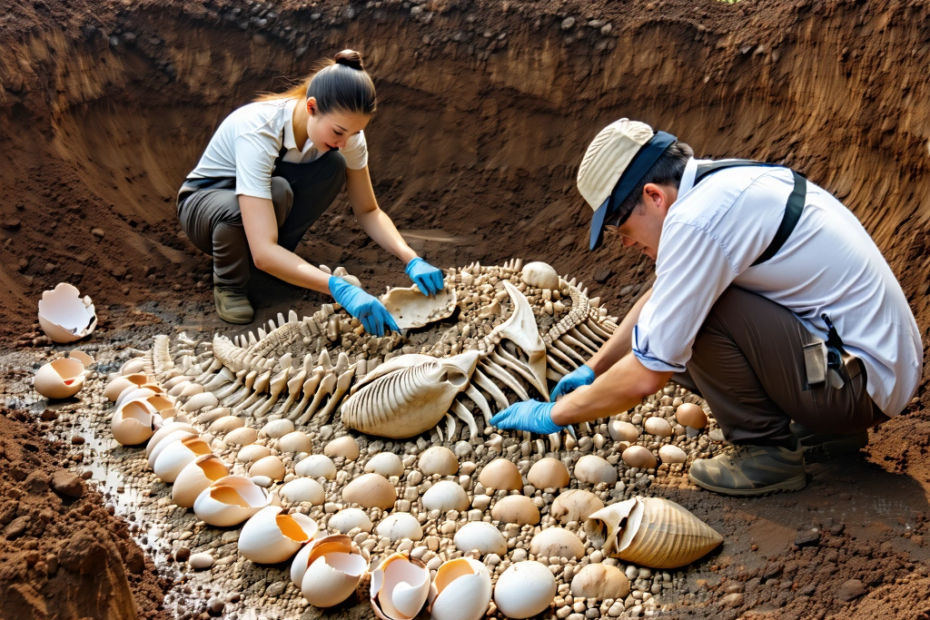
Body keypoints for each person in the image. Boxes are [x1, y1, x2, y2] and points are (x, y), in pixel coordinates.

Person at [491, 119, 923, 496]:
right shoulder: (720, 184)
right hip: (858, 368)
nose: (625, 243)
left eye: (621, 228)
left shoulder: (697, 220)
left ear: (653, 196)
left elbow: (647, 374)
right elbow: (664, 295)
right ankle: (823, 432)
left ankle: (768, 456)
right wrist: (596, 368)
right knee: (677, 315)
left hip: (859, 386)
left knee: (696, 321)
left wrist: (555, 413)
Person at [177, 49, 444, 329]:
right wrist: (338, 288)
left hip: (265, 200)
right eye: (339, 132)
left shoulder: (346, 134)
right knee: (273, 196)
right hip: (207, 205)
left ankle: (281, 267)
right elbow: (262, 250)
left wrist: (411, 258)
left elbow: (368, 210)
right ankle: (230, 284)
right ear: (311, 107)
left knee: (333, 166)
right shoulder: (260, 129)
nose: (346, 141)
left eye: (354, 133)